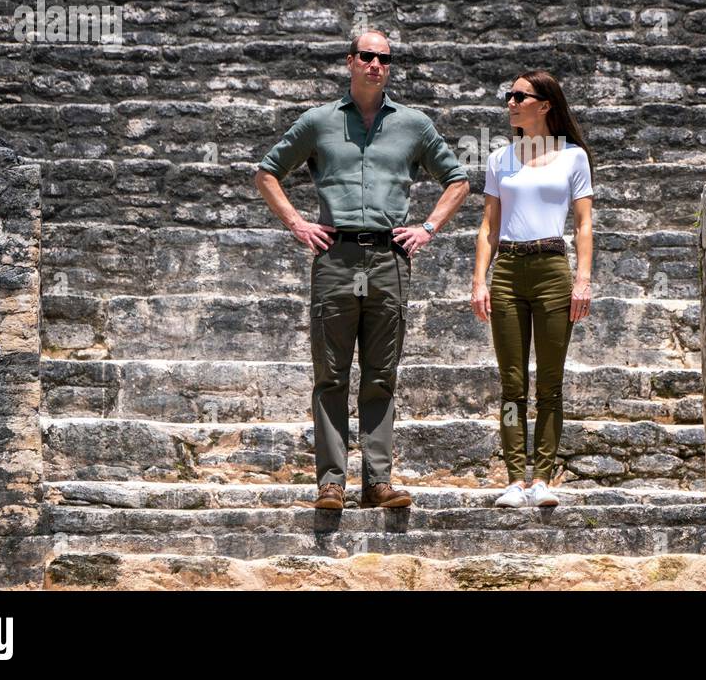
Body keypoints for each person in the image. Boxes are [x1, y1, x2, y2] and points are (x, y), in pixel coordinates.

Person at [254, 30, 470, 511]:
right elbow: (267, 173)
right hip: (336, 256)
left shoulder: (413, 124)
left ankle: (377, 482)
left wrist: (428, 228)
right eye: (367, 56)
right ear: (350, 61)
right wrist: (296, 223)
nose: (376, 64)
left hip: (389, 259)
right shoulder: (318, 122)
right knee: (330, 373)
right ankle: (331, 483)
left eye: (384, 58)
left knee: (380, 374)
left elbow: (458, 180)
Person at [470, 70, 594, 508]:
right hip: (507, 270)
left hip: (551, 269)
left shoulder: (572, 156)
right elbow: (488, 225)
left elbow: (582, 224)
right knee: (511, 383)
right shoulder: (500, 158)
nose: (510, 103)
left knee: (551, 384)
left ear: (544, 105)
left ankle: (542, 477)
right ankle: (513, 477)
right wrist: (479, 281)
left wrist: (582, 279)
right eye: (509, 96)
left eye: (519, 96)